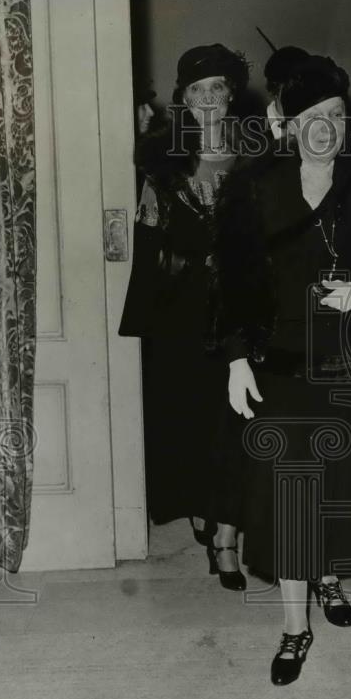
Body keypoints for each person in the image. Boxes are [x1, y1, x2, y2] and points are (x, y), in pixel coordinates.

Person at [221, 54, 351, 686]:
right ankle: (295, 626)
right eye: (312, 117)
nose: (326, 128)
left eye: (336, 116)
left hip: (350, 358)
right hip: (280, 360)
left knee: (336, 485)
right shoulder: (253, 185)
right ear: (285, 124)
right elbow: (230, 283)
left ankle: (330, 575)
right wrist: (236, 356)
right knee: (291, 491)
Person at [119, 43, 252, 591]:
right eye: (197, 91)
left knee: (237, 421)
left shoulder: (258, 152)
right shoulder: (164, 160)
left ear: (232, 93)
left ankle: (226, 539)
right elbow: (149, 238)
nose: (209, 100)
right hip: (182, 309)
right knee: (194, 418)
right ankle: (204, 506)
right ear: (183, 100)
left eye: (217, 87)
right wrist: (142, 319)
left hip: (245, 303)